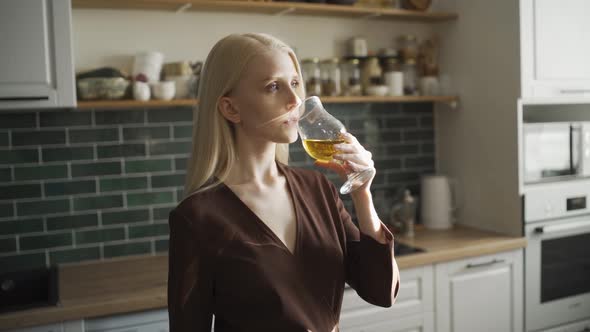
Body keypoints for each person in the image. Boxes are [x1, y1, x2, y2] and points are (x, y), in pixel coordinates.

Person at [167, 33, 400, 332]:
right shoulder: (197, 217)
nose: (294, 101)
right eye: (273, 87)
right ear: (230, 108)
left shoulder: (318, 190)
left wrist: (362, 194)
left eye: (294, 84)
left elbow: (382, 292)